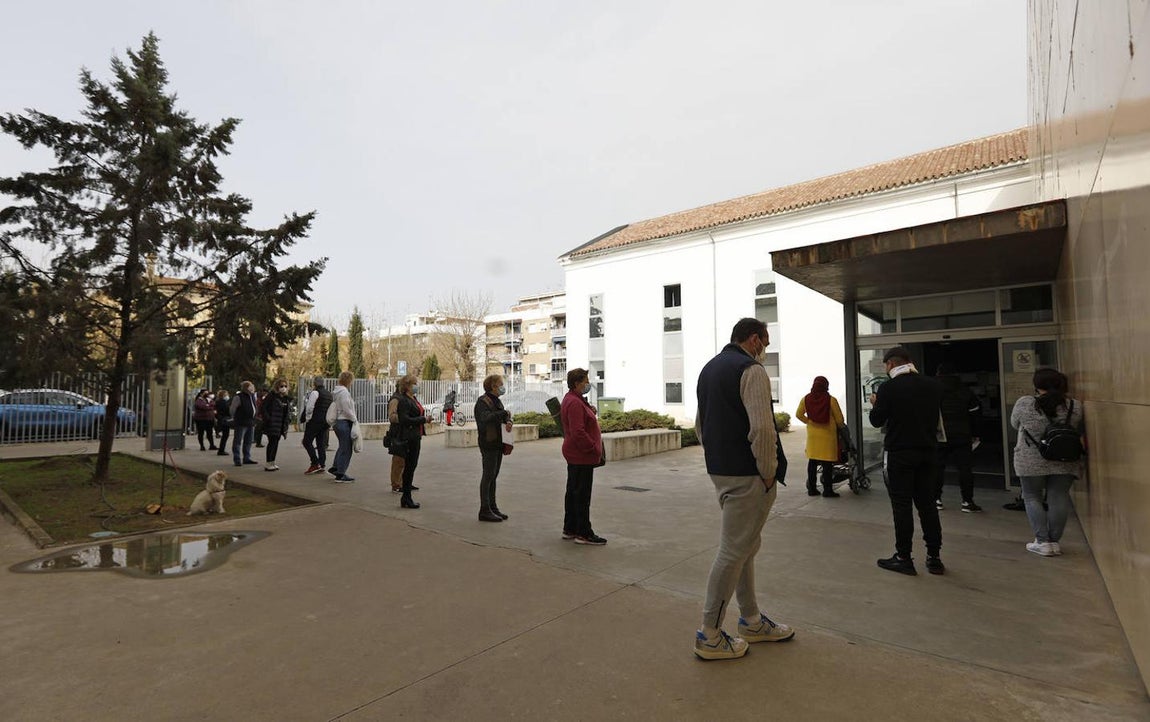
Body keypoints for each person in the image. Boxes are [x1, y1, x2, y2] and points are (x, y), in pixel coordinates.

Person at [693, 318, 794, 661]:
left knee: (745, 547)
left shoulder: (709, 369)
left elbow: (700, 426)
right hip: (749, 475)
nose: (765, 349)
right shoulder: (751, 370)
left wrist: (717, 460)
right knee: (734, 552)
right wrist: (767, 473)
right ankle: (709, 633)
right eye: (764, 342)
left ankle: (751, 619)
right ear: (753, 339)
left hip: (722, 470)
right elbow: (763, 430)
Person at [868, 346, 945, 576]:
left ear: (890, 364)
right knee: (928, 505)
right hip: (929, 452)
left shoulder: (888, 388)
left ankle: (903, 557)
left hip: (900, 453)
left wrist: (875, 402)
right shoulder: (933, 386)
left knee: (901, 506)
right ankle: (934, 557)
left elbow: (876, 420)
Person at [1010, 367, 1085, 557]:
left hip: (1031, 459)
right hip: (1065, 458)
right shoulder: (1074, 406)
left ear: (1037, 385)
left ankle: (1042, 541)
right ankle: (1054, 542)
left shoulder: (1025, 403)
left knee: (1032, 497)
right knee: (1059, 497)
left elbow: (1014, 424)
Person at [560, 368, 605, 546]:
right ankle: (583, 532)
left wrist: (589, 410)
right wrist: (593, 447)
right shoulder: (574, 402)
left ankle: (570, 528)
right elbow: (578, 431)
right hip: (581, 454)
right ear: (577, 383)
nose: (588, 384)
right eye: (585, 381)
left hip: (576, 454)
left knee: (573, 491)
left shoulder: (573, 399)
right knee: (582, 495)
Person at [934, 363, 983, 512]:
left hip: (939, 435)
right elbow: (976, 415)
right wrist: (975, 434)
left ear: (938, 373)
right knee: (965, 469)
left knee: (937, 468)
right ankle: (967, 501)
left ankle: (936, 499)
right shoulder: (965, 391)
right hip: (962, 434)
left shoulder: (932, 390)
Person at [795, 376, 844, 498]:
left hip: (813, 436)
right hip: (828, 436)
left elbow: (798, 414)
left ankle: (812, 489)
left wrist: (809, 422)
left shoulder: (805, 399)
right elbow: (840, 420)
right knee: (827, 465)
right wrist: (840, 427)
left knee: (812, 463)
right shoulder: (831, 400)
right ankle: (827, 490)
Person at [474, 374, 513, 522]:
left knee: (494, 476)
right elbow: (485, 418)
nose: (503, 387)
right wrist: (503, 414)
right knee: (488, 475)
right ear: (493, 386)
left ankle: (493, 507)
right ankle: (484, 510)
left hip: (498, 442)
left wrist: (508, 420)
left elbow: (503, 417)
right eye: (500, 384)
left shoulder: (497, 401)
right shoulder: (483, 402)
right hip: (488, 443)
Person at [393, 374, 432, 508]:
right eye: (414, 384)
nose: (417, 386)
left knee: (412, 466)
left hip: (415, 436)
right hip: (409, 437)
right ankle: (406, 497)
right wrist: (423, 420)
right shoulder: (404, 400)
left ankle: (407, 496)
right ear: (408, 386)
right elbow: (404, 419)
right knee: (409, 467)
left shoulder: (413, 399)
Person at [325, 371, 358, 483]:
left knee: (342, 446)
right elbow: (346, 408)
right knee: (347, 448)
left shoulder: (337, 391)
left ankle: (336, 467)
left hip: (338, 422)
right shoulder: (344, 392)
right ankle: (340, 473)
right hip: (344, 421)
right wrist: (353, 418)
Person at [301, 377, 332, 475]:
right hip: (325, 422)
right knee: (320, 443)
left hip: (315, 421)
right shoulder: (329, 394)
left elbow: (310, 407)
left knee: (306, 441)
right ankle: (322, 465)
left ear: (314, 383)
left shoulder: (315, 393)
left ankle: (315, 463)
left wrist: (308, 418)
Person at [260, 379, 292, 472]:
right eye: (281, 386)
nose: (283, 388)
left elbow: (287, 411)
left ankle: (272, 462)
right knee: (272, 442)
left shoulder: (285, 398)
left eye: (285, 386)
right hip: (272, 423)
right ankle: (268, 462)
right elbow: (263, 407)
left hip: (280, 424)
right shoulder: (272, 396)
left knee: (276, 443)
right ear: (277, 387)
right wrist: (268, 418)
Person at [229, 381, 259, 467]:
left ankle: (247, 458)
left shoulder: (252, 396)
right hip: (241, 422)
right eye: (251, 386)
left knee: (248, 441)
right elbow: (232, 409)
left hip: (251, 422)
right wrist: (234, 417)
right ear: (246, 387)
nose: (253, 388)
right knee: (238, 441)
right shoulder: (239, 397)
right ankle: (237, 459)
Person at [386, 385, 405, 493]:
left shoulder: (407, 398)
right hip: (398, 432)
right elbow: (392, 417)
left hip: (406, 432)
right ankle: (396, 484)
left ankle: (404, 482)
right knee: (398, 460)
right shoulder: (396, 399)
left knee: (406, 460)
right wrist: (406, 418)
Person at [213, 388, 231, 456]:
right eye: (226, 394)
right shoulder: (223, 402)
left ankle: (221, 449)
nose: (227, 396)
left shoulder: (218, 401)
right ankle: (221, 450)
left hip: (221, 419)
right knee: (225, 435)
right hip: (224, 419)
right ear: (223, 395)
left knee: (225, 435)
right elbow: (227, 410)